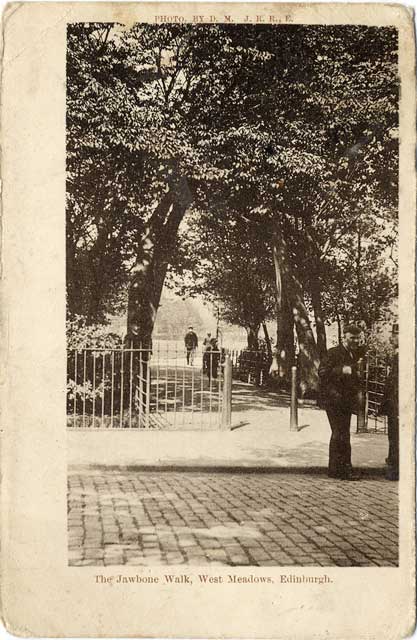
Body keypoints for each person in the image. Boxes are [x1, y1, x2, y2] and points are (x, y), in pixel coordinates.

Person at [318, 324, 364, 480]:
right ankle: (343, 470)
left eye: (358, 338)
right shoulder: (333, 352)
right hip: (334, 400)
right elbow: (322, 372)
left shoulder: (354, 353)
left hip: (345, 401)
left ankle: (336, 470)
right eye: (352, 338)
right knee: (340, 433)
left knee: (341, 434)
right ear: (344, 337)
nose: (356, 341)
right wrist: (342, 370)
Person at [379, 323, 399, 481]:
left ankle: (394, 469)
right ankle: (392, 461)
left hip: (399, 404)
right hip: (394, 403)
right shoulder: (397, 354)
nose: (392, 337)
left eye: (395, 334)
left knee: (396, 436)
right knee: (393, 435)